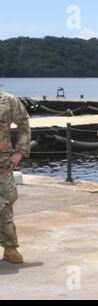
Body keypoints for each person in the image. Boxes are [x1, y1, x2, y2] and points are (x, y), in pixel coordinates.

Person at [0, 90, 31, 264]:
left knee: (5, 205)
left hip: (2, 166)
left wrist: (19, 152)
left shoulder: (8, 100)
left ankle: (10, 248)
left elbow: (23, 124)